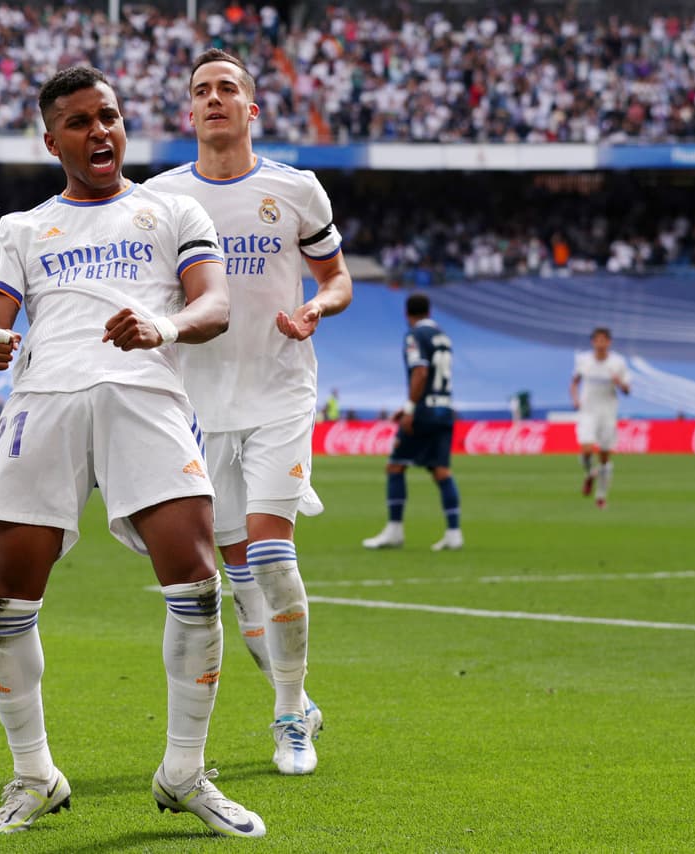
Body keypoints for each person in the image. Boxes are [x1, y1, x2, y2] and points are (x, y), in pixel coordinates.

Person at [0, 65, 264, 838]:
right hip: (44, 403)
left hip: (146, 397)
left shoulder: (172, 210)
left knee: (197, 580)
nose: (99, 131)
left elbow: (215, 304)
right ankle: (35, 776)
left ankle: (184, 773)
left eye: (109, 115)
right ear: (51, 139)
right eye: (78, 121)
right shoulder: (22, 228)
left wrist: (162, 328)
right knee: (6, 599)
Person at [145, 48, 353, 776]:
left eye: (226, 88)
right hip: (199, 409)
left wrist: (316, 307)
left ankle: (289, 720)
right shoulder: (162, 198)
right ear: (189, 111)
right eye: (201, 90)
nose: (213, 98)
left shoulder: (295, 190)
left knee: (272, 555)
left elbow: (336, 277)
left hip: (281, 393)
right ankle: (296, 695)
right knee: (237, 585)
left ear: (251, 108)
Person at [363, 293, 463, 551]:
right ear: (429, 311)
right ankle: (454, 533)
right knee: (441, 471)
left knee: (395, 466)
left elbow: (420, 371)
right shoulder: (444, 337)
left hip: (423, 413)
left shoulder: (414, 336)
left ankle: (394, 531)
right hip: (444, 409)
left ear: (408, 314)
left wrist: (409, 409)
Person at [570, 327, 631, 509]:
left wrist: (619, 383)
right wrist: (575, 399)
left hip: (608, 413)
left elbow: (627, 391)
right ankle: (590, 473)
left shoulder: (618, 363)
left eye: (604, 340)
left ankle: (601, 495)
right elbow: (574, 382)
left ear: (609, 342)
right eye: (597, 340)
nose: (600, 344)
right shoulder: (584, 361)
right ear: (593, 342)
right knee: (586, 450)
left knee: (605, 457)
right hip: (588, 411)